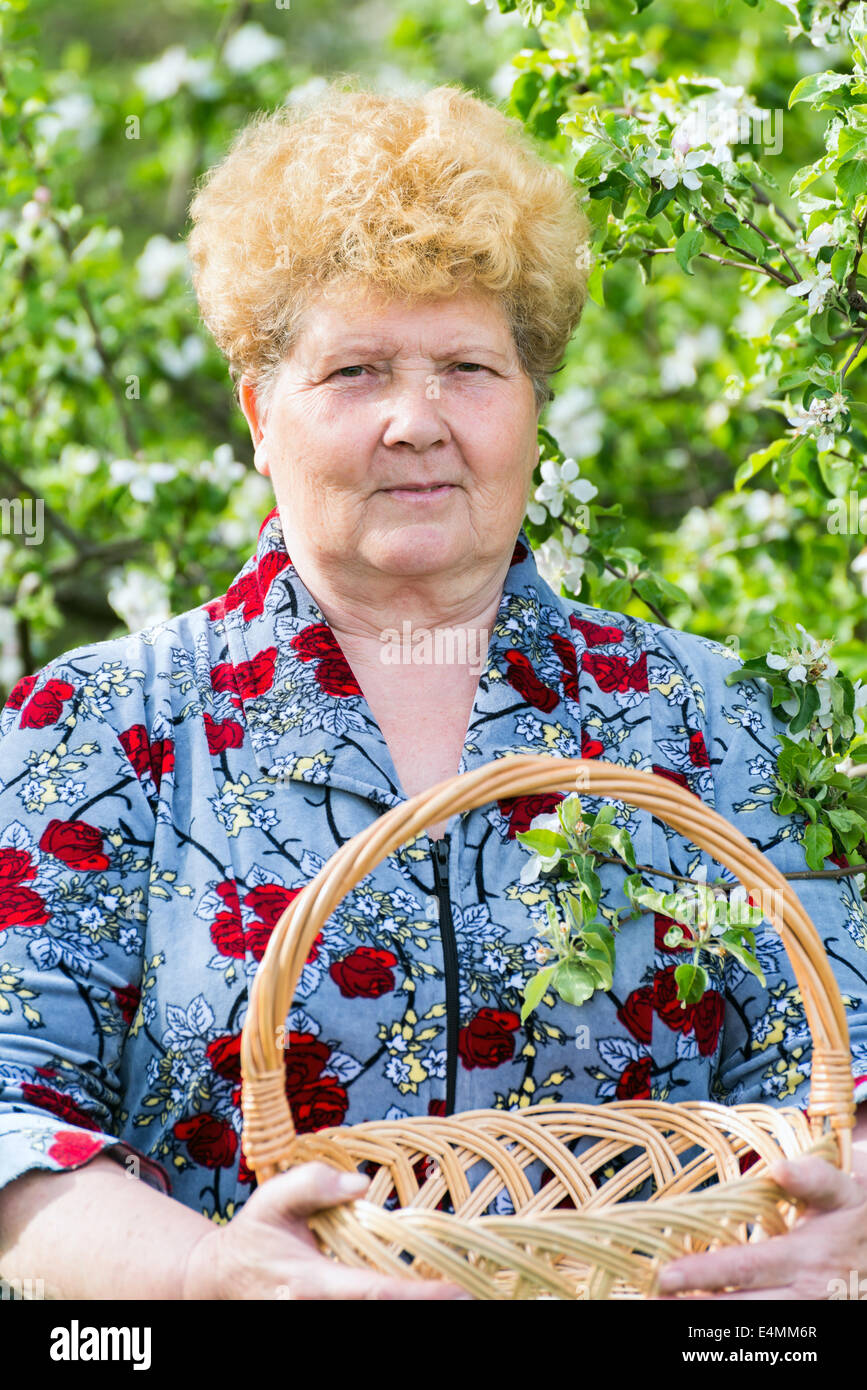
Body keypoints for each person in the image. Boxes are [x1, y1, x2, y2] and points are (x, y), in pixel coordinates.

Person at [1, 81, 866, 1303]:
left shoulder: (711, 716)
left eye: (468, 366)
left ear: (533, 407)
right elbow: (14, 1116)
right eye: (355, 370)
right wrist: (210, 1273)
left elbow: (844, 1061)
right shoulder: (96, 730)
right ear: (258, 414)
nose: (416, 420)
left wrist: (850, 1229)